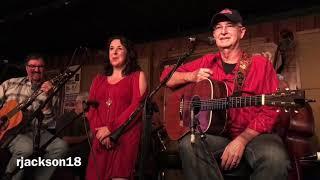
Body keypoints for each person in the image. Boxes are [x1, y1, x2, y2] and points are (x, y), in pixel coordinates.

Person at [160, 8, 291, 180]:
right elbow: (166, 77)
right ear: (213, 35)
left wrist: (242, 140)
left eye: (229, 26)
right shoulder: (208, 61)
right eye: (218, 27)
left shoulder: (260, 64)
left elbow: (270, 110)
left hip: (254, 136)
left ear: (242, 32)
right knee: (189, 144)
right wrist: (191, 76)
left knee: (275, 158)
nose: (223, 31)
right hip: (217, 137)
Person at [86, 36, 147, 180]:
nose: (114, 52)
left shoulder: (137, 76)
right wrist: (101, 133)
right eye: (111, 49)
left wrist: (111, 129)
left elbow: (136, 108)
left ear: (128, 53)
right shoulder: (98, 80)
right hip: (100, 140)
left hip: (124, 140)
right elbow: (92, 110)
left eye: (119, 48)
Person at [0, 53, 68, 180]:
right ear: (26, 68)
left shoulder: (52, 91)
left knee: (61, 146)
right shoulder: (10, 83)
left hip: (35, 130)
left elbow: (49, 123)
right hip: (9, 130)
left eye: (40, 66)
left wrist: (49, 98)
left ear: (44, 69)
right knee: (26, 148)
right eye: (32, 66)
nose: (36, 70)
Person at [56, 92, 91, 180]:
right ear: (77, 103)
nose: (88, 107)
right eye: (86, 103)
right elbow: (65, 139)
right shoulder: (65, 118)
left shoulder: (87, 118)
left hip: (86, 155)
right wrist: (87, 136)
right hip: (70, 154)